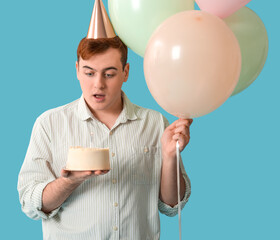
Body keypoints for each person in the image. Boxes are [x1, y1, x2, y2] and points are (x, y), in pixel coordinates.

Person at [17, 1, 193, 239]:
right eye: (89, 73)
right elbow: (30, 203)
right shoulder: (49, 124)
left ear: (126, 72)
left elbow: (171, 206)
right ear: (77, 70)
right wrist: (69, 182)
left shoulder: (154, 123)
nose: (98, 84)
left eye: (109, 74)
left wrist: (169, 156)